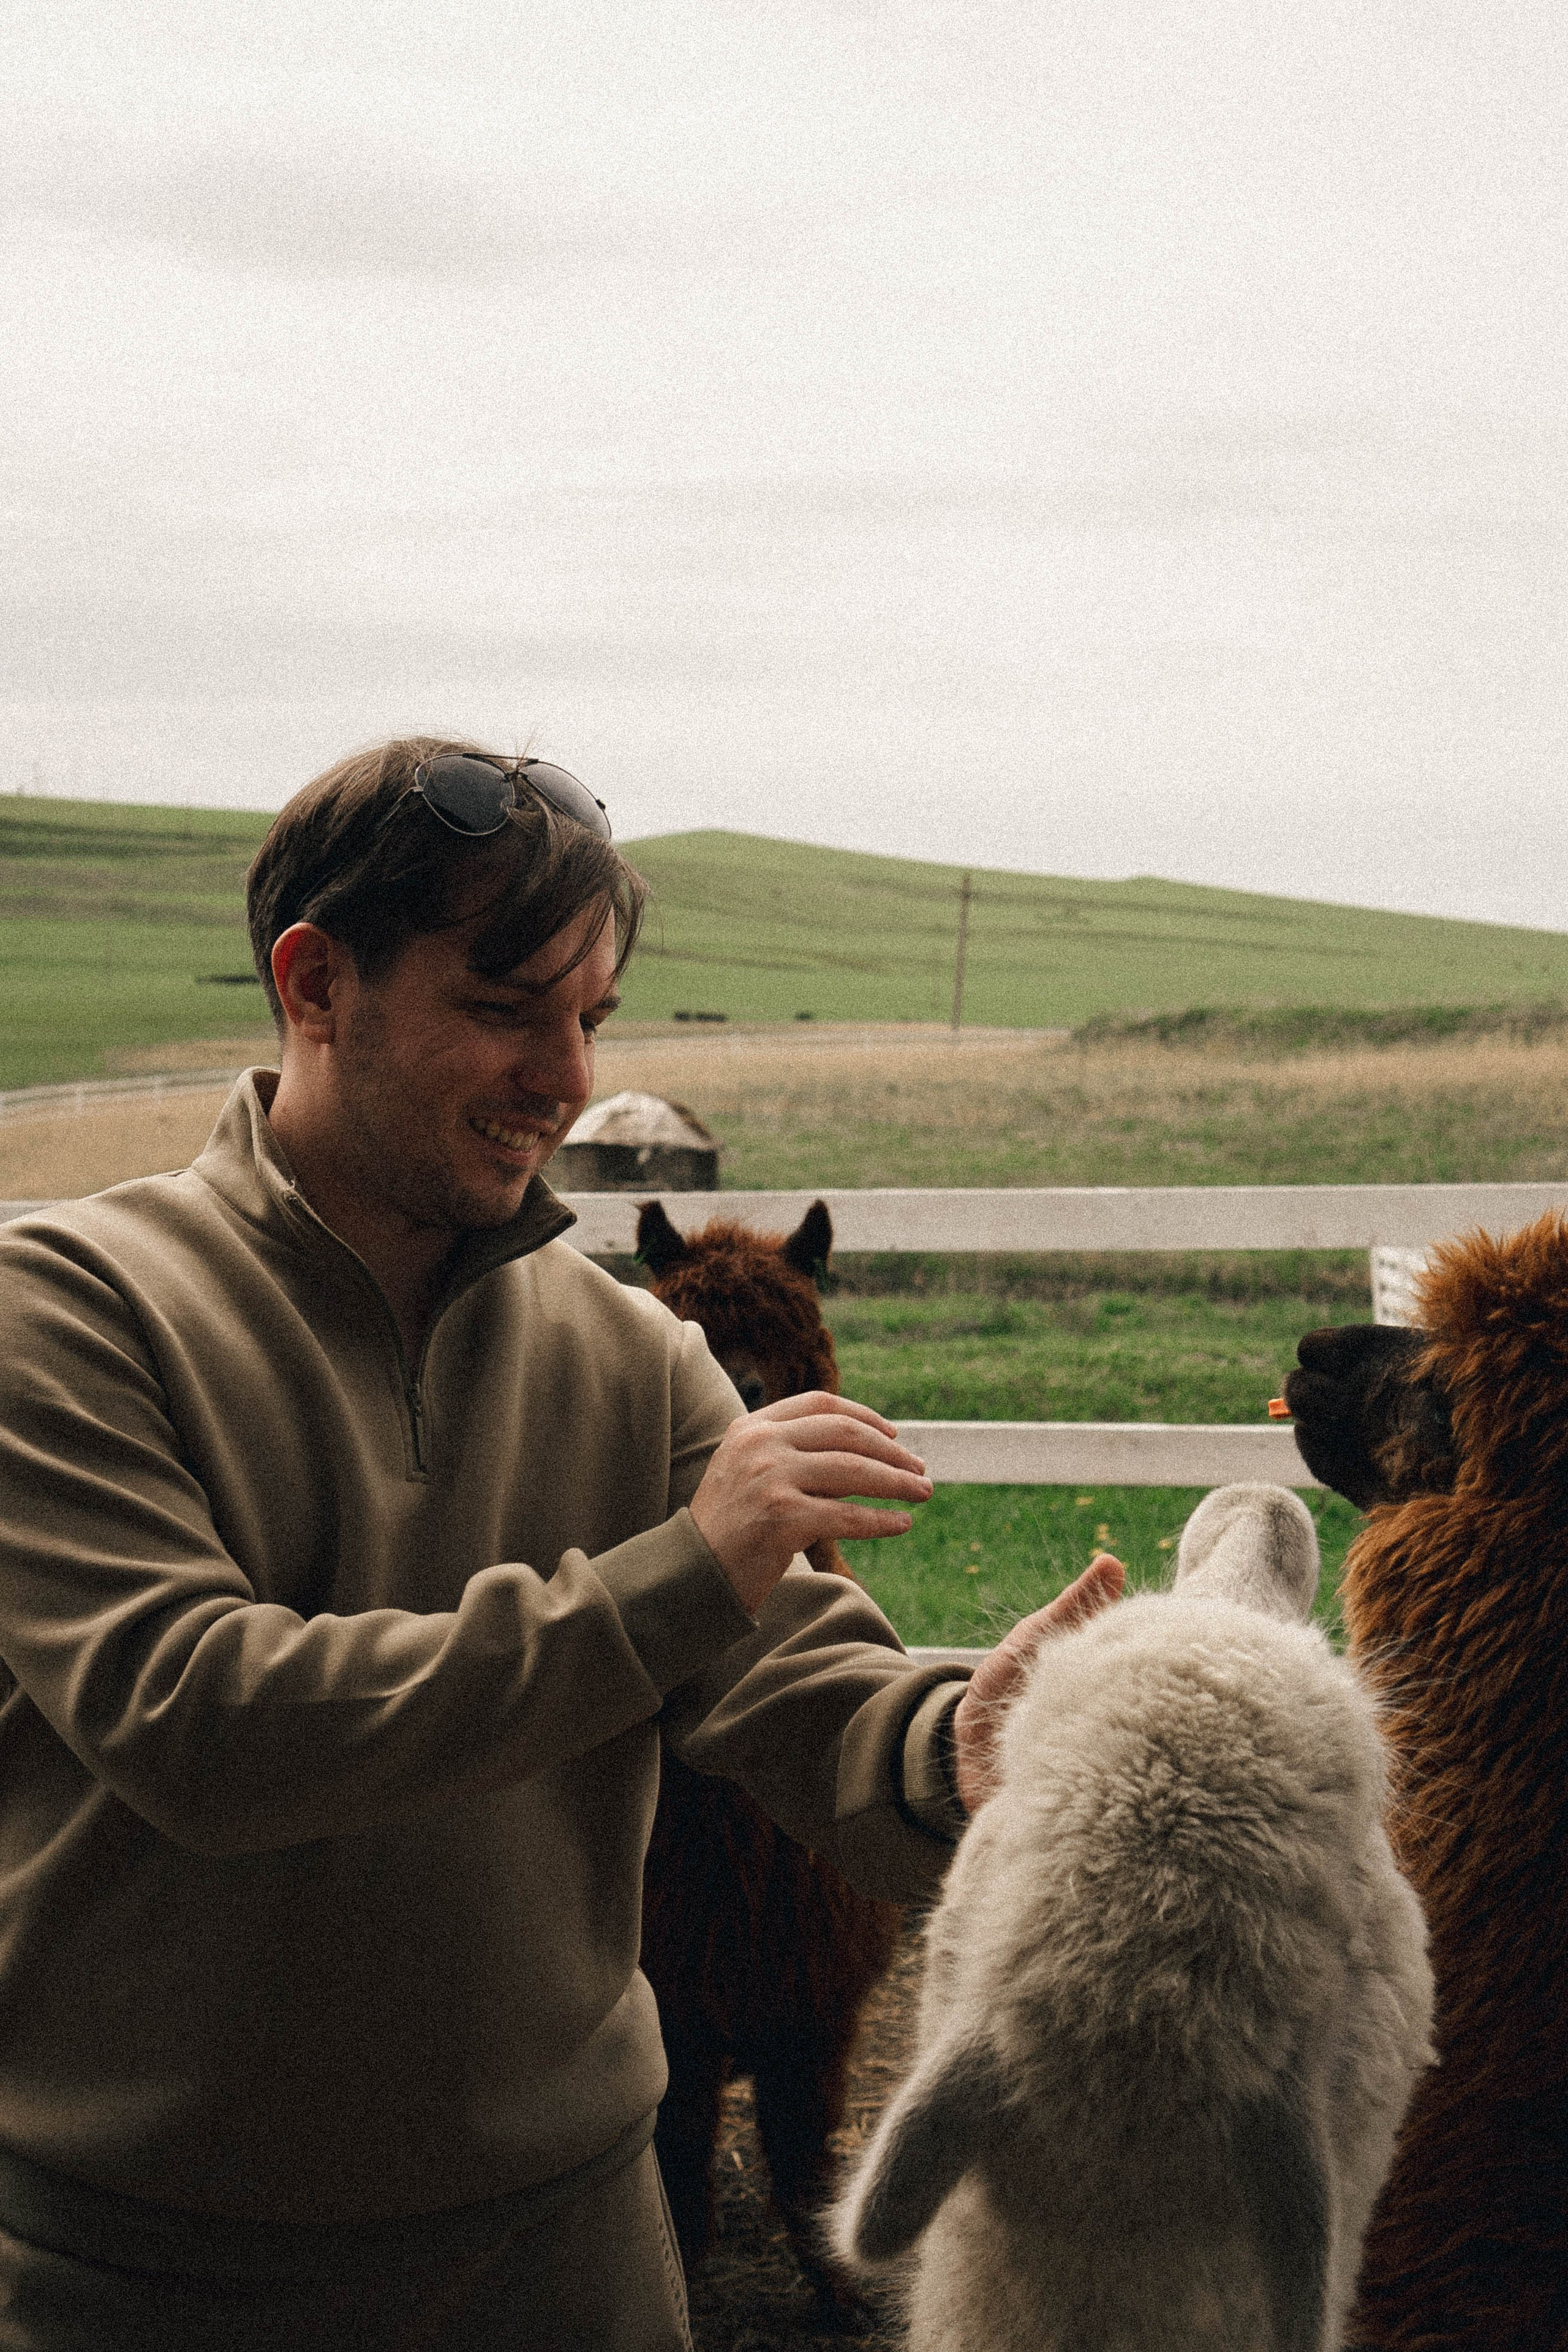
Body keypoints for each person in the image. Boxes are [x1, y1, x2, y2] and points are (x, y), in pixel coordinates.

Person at [0, 738, 1121, 2351]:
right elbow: (202, 1723)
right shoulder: (69, 1310)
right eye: (504, 1004)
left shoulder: (633, 1357)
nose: (566, 1075)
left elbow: (807, 1697)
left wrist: (957, 1752)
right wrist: (679, 1574)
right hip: (146, 2274)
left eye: (590, 1017)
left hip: (566, 2257)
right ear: (315, 985)